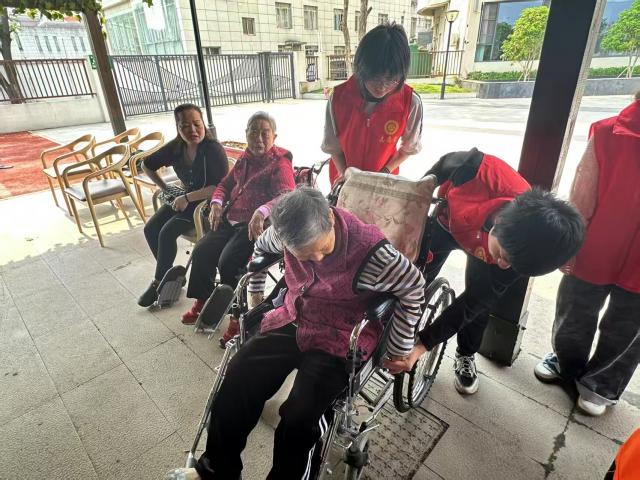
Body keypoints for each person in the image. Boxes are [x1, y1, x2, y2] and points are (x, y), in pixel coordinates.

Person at [166, 187, 426, 480]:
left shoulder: (374, 254)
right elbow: (261, 249)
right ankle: (216, 470)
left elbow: (413, 287)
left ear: (330, 218)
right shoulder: (282, 234)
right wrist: (256, 296)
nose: (317, 259)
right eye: (305, 255)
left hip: (341, 335)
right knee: (238, 376)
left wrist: (399, 348)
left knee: (299, 418)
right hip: (294, 316)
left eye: (323, 249)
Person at [385, 148, 585, 396]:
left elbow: (472, 302)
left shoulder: (521, 254)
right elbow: (444, 165)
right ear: (500, 224)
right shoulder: (478, 172)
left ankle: (466, 354)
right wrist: (422, 193)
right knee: (415, 276)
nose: (504, 266)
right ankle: (395, 323)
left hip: (485, 246)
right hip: (450, 220)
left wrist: (420, 347)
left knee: (479, 306)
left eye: (512, 265)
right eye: (504, 257)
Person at [534, 92, 640, 417]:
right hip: (596, 246)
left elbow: (582, 195)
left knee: (623, 323)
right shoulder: (607, 132)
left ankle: (598, 383)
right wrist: (570, 245)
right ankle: (574, 369)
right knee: (579, 311)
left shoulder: (608, 132)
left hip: (618, 254)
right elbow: (581, 196)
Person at [181, 112, 296, 344]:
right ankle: (204, 300)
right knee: (202, 251)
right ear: (246, 134)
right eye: (254, 132)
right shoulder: (244, 158)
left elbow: (287, 196)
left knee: (228, 262)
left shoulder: (280, 163)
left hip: (254, 226)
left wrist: (262, 211)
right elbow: (224, 185)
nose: (259, 138)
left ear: (274, 136)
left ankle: (238, 316)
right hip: (230, 219)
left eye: (265, 133)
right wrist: (216, 203)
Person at [138, 103, 229, 307]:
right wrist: (166, 188)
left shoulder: (213, 149)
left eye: (197, 124)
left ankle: (158, 282)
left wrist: (186, 198)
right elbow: (146, 164)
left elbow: (219, 187)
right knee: (150, 229)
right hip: (184, 198)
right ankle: (170, 276)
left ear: (203, 123)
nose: (193, 130)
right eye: (185, 126)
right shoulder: (176, 147)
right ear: (178, 128)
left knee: (167, 232)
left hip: (206, 204)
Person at [321, 22, 423, 185]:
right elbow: (333, 147)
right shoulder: (339, 98)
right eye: (375, 78)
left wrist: (385, 172)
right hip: (344, 179)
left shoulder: (410, 103)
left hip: (384, 182)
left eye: (391, 79)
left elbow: (409, 148)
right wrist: (345, 174)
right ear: (362, 69)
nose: (382, 86)